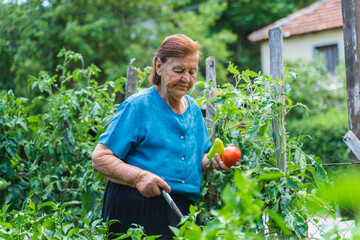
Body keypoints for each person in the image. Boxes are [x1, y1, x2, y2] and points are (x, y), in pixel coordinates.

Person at [91, 34, 238, 239]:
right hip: (137, 206)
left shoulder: (194, 110)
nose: (187, 79)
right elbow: (100, 157)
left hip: (181, 209)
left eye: (192, 71)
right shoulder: (139, 106)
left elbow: (197, 160)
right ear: (159, 66)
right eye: (179, 71)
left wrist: (214, 161)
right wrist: (139, 177)